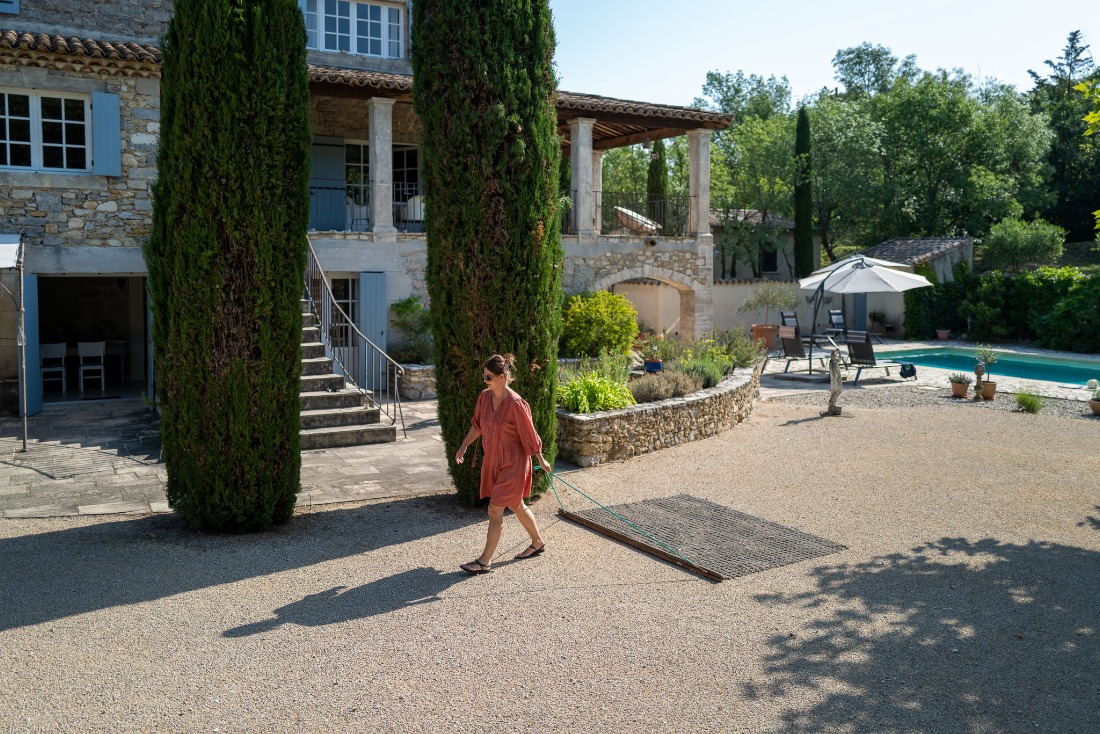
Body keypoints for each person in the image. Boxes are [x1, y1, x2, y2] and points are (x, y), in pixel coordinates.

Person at [455, 353, 552, 574]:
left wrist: (540, 459)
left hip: (514, 464)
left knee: (495, 509)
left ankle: (484, 561)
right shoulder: (484, 397)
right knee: (516, 504)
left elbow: (530, 434)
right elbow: (477, 426)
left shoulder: (516, 404)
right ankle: (537, 542)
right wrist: (463, 446)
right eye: (484, 377)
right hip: (493, 461)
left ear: (501, 377)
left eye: (488, 377)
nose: (485, 381)